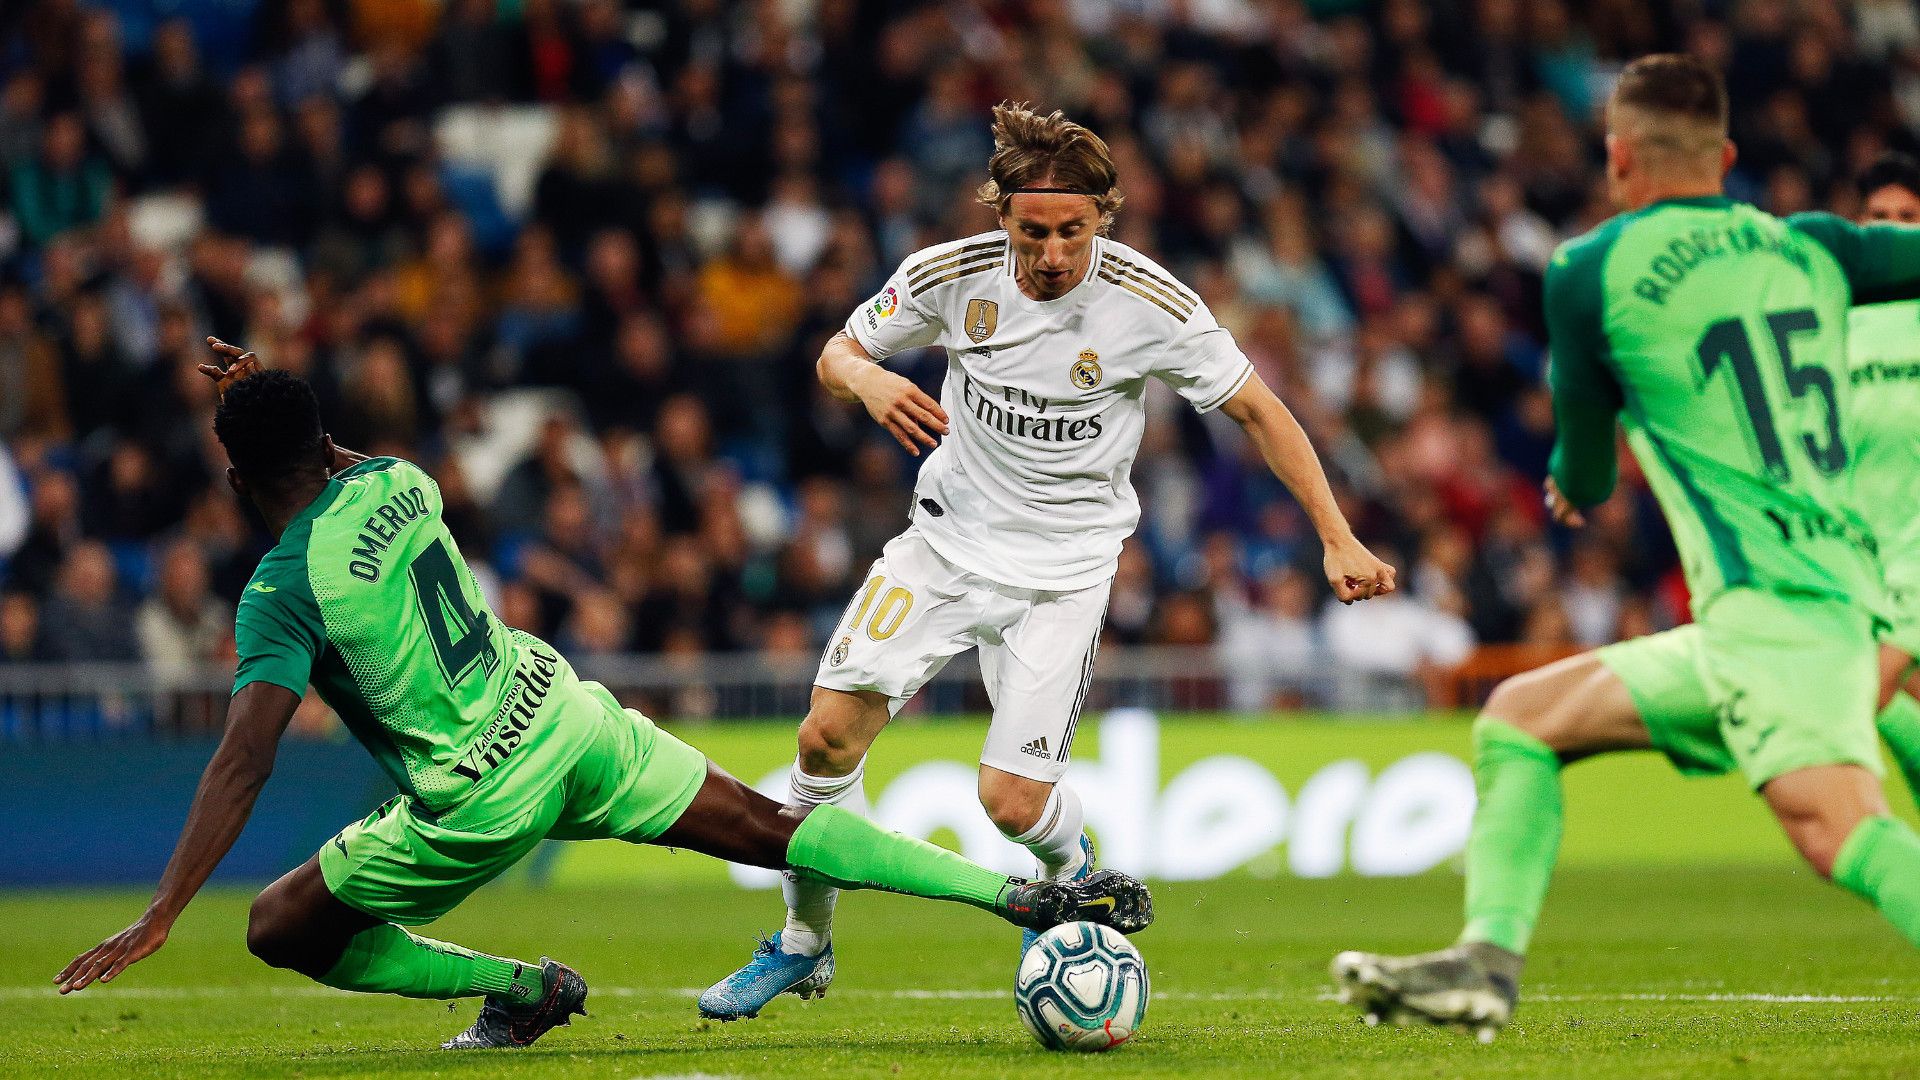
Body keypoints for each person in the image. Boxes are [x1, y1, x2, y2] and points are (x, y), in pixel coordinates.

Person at [55, 340, 1153, 1050]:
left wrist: (162, 911)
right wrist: (267, 391)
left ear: (237, 479)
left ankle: (521, 986)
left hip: (476, 795)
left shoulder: (278, 593)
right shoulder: (394, 474)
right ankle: (1014, 898)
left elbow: (244, 758)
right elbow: (319, 450)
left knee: (279, 923)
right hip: (564, 712)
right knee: (776, 829)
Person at [702, 103, 1393, 1021]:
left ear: (1104, 219)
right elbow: (838, 350)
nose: (1054, 253)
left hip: (1066, 572)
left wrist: (1335, 533)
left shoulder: (1156, 307)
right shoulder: (950, 277)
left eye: (1073, 231)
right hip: (944, 545)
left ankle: (1070, 878)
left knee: (1013, 804)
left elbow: (1262, 410)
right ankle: (801, 944)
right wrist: (867, 379)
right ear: (1001, 219)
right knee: (823, 738)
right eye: (1034, 232)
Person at [1331, 54, 1920, 1041]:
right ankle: (1486, 960)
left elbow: (1588, 476)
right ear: (1727, 156)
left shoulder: (1588, 270)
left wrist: (1572, 478)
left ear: (1618, 160)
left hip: (1786, 613)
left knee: (1841, 829)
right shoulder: (1817, 245)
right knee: (1520, 718)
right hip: (1767, 613)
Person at [1845, 154, 1920, 808]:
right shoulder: (1822, 325)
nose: (1894, 231)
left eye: (1908, 218)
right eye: (1880, 218)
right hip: (1862, 579)